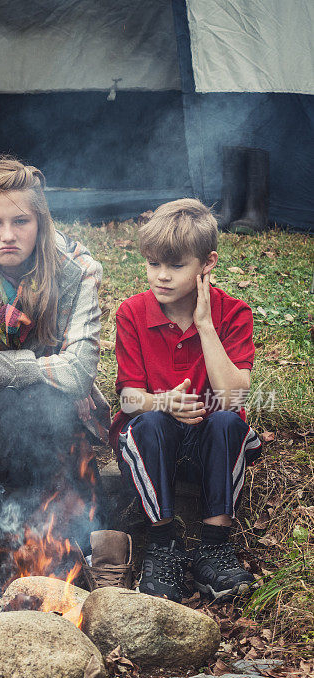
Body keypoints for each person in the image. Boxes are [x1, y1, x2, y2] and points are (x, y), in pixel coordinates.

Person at [0, 156, 114, 602]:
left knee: (40, 407)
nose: (7, 235)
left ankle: (88, 556)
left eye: (21, 221)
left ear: (41, 221)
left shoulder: (76, 270)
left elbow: (76, 373)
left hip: (58, 416)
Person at [111, 198, 262, 603]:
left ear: (207, 263)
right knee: (150, 422)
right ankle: (162, 546)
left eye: (175, 266)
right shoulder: (132, 312)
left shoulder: (233, 313)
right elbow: (127, 398)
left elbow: (233, 397)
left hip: (210, 444)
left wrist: (204, 325)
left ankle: (214, 545)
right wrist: (163, 403)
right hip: (152, 441)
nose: (160, 277)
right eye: (153, 264)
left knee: (228, 422)